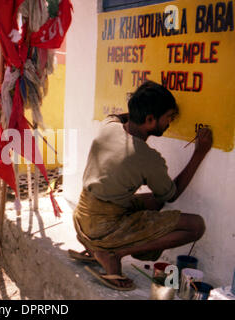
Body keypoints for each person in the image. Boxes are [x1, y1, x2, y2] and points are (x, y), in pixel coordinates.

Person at [71, 80, 212, 291]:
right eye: (169, 118)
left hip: (82, 220)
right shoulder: (148, 158)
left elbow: (122, 116)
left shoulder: (109, 125)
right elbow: (171, 194)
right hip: (103, 227)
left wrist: (140, 107)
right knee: (196, 225)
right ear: (149, 119)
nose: (170, 123)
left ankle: (95, 247)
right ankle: (114, 253)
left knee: (154, 203)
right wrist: (199, 153)